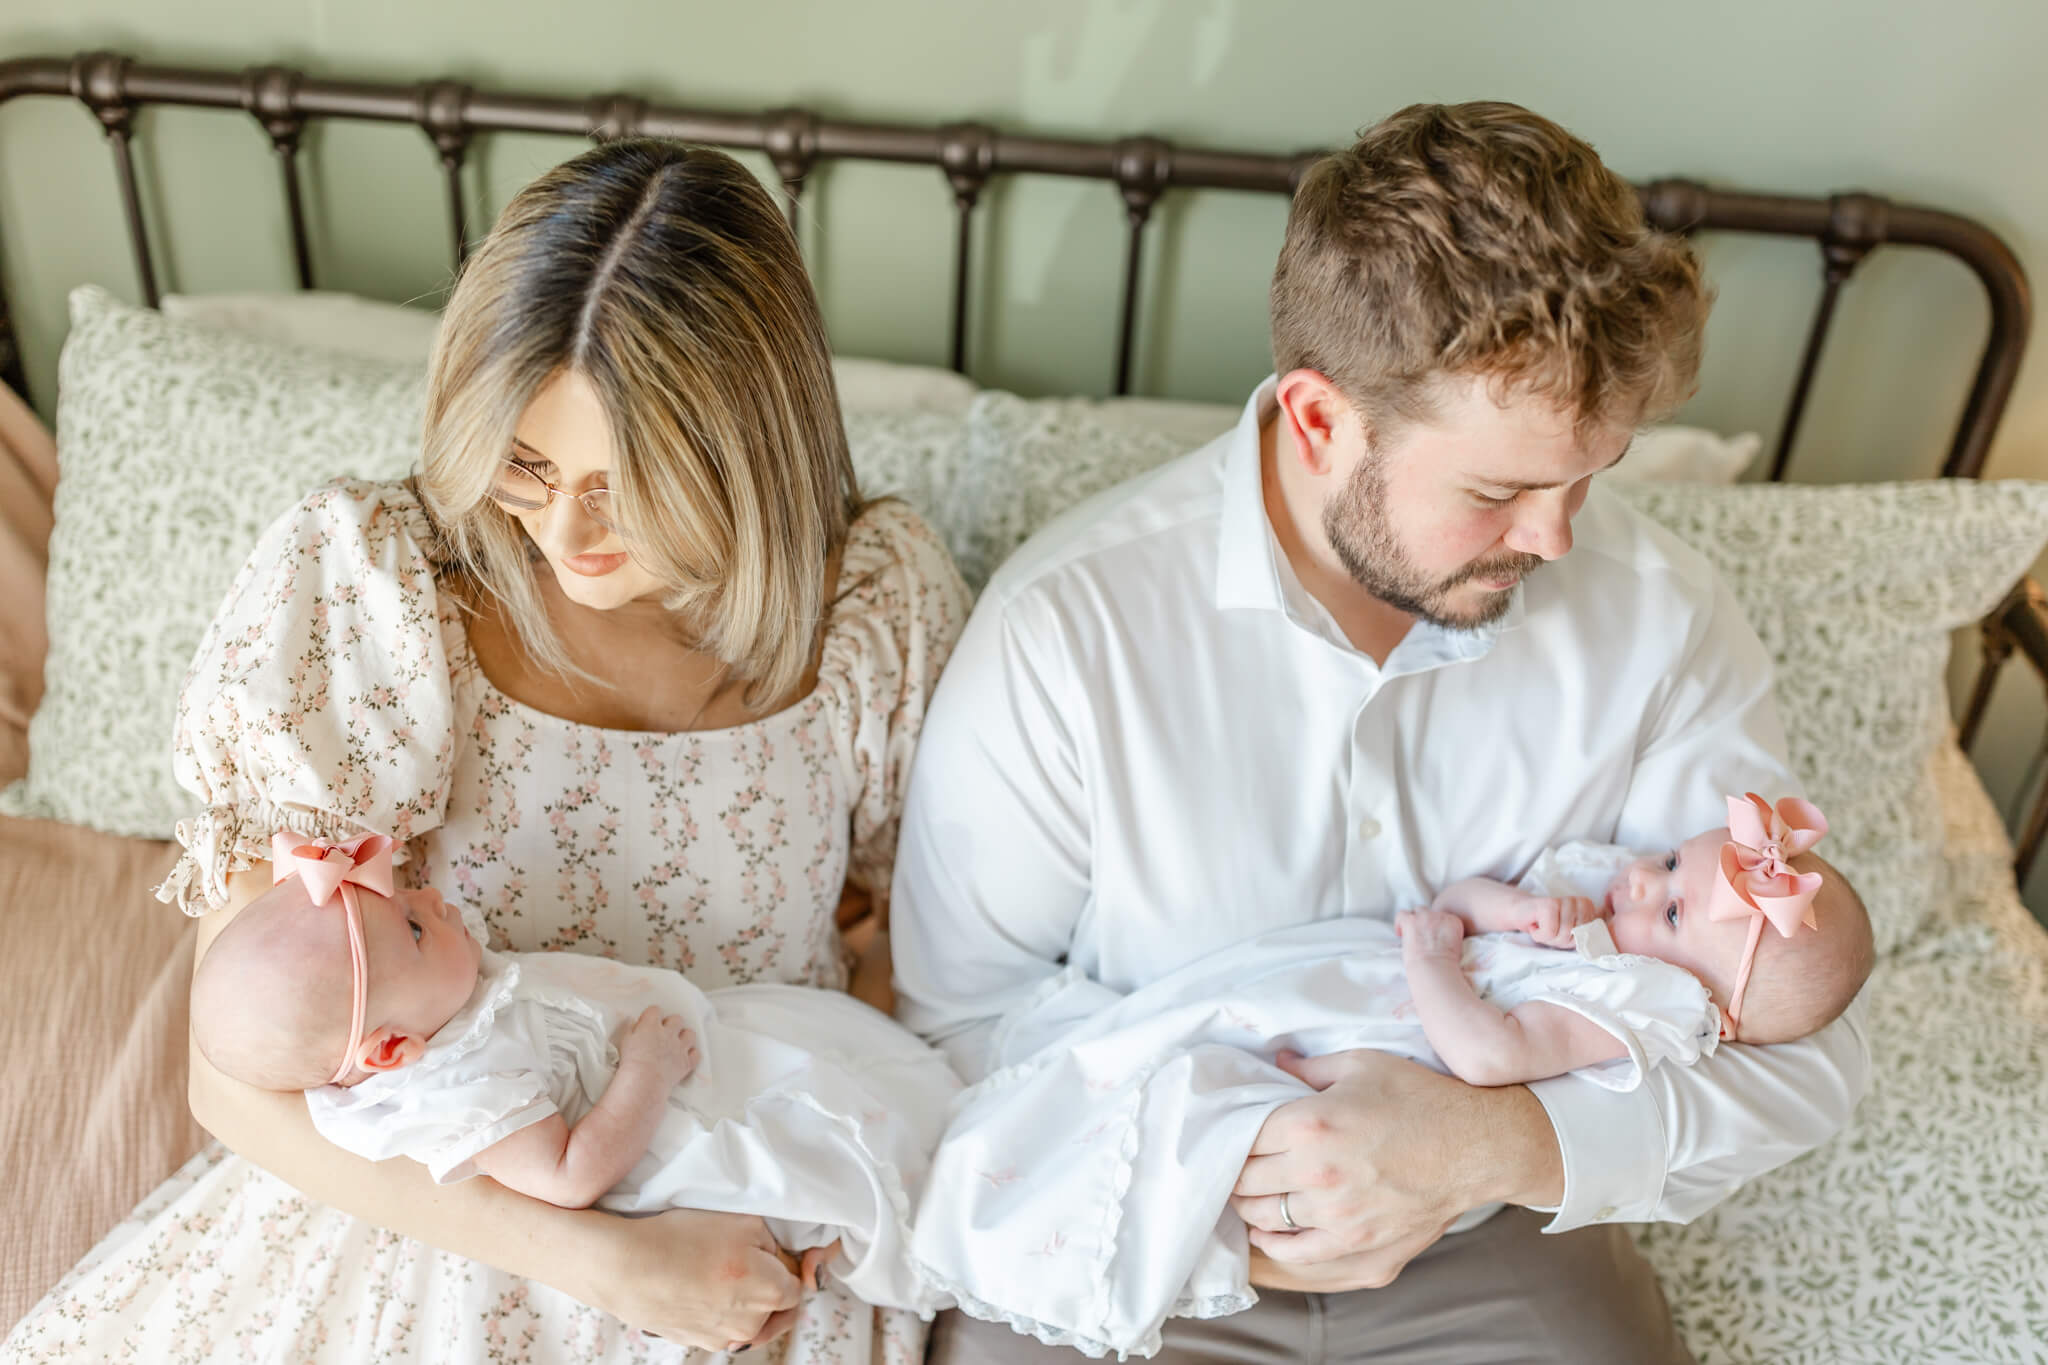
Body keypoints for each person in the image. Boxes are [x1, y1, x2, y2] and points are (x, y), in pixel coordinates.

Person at [892, 102, 1869, 1364]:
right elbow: (954, 1030)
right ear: (1318, 421)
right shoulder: (1067, 636)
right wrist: (1232, 1155)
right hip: (1132, 1218)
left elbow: (1802, 1047)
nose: (1554, 538)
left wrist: (1496, 1142)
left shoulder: (1659, 622)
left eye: (1589, 476)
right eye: (1498, 489)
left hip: (1499, 1224)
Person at [3, 139, 970, 1365]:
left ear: (751, 453)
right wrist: (607, 1258)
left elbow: (895, 972)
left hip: (761, 1223)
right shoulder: (383, 589)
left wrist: (840, 1178)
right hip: (441, 1238)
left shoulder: (875, 614)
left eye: (628, 485)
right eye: (525, 463)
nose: (564, 530)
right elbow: (236, 1075)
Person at [911, 796, 1873, 1357]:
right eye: (1669, 863)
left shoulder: (1630, 1008)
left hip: (1410, 1063)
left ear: (1708, 1001)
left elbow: (1491, 1055)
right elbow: (1457, 909)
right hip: (1345, 995)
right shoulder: (1603, 922)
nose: (1645, 882)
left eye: (1670, 912)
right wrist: (1491, 909)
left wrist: (1431, 961)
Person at [189, 830, 959, 1314]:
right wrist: (647, 1071)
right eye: (415, 924)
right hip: (653, 1152)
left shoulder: (440, 1014)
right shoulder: (461, 1085)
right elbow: (566, 1173)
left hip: (694, 1065)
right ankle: (849, 1238)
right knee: (785, 1166)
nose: (426, 894)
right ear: (390, 1052)